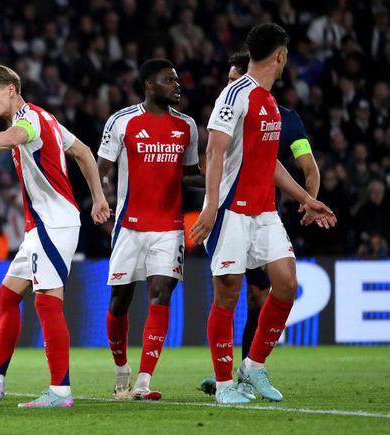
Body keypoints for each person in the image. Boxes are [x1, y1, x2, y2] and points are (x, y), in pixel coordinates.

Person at [0, 64, 110, 408]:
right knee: (6, 297)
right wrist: (98, 198)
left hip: (54, 224)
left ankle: (60, 392)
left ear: (11, 89)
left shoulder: (29, 120)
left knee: (47, 301)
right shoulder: (47, 118)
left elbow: (13, 138)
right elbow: (84, 151)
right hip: (40, 227)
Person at [189, 24, 336, 405]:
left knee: (286, 283)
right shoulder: (234, 94)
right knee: (227, 296)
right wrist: (210, 207)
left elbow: (270, 163)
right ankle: (224, 385)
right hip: (230, 211)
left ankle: (252, 366)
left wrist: (306, 198)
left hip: (264, 211)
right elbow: (213, 152)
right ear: (280, 56)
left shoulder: (268, 101)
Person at [97, 59, 202, 400]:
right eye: (168, 80)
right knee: (119, 302)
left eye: (177, 79)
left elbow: (190, 175)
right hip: (129, 226)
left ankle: (143, 381)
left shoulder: (187, 126)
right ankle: (121, 369)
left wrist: (223, 185)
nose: (176, 85)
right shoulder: (122, 121)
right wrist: (102, 201)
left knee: (161, 294)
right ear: (148, 84)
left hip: (169, 228)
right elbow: (102, 169)